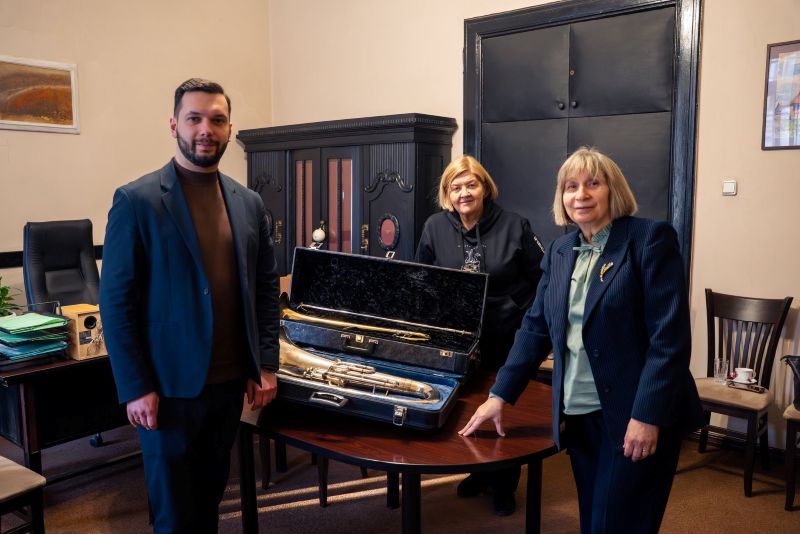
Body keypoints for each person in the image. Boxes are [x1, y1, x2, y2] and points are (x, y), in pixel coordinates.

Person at [459, 147, 704, 533]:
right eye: (570, 187)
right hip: (579, 414)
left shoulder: (649, 239)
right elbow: (535, 328)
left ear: (613, 190)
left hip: (633, 415)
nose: (581, 195)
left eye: (593, 183)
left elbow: (668, 342)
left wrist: (647, 416)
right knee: (592, 519)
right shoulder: (561, 251)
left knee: (620, 524)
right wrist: (499, 395)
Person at [100, 78, 280, 533]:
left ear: (229, 128)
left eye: (217, 120)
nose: (206, 129)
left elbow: (264, 291)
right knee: (174, 517)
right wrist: (135, 386)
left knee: (209, 503)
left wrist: (266, 364)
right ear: (173, 125)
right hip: (166, 391)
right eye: (194, 118)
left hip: (229, 387)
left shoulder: (249, 203)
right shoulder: (136, 201)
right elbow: (116, 304)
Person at [415, 155, 544, 516]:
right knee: (468, 404)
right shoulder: (434, 226)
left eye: (471, 184)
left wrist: (520, 311)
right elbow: (422, 278)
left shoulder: (516, 225)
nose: (464, 193)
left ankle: (504, 484)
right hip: (457, 340)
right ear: (447, 194)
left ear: (485, 188)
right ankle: (479, 471)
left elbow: (542, 277)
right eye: (456, 187)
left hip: (508, 336)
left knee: (505, 406)